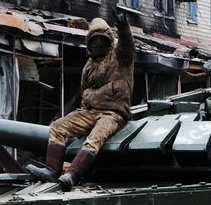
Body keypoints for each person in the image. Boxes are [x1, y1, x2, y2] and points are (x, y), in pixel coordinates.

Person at [26, 10, 133, 190]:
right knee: (57, 127)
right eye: (94, 42)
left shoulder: (120, 56)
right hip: (90, 111)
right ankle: (52, 170)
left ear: (109, 40)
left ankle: (73, 174)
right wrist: (84, 110)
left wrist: (123, 27)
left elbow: (127, 45)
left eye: (101, 41)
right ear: (89, 43)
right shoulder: (89, 66)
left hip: (113, 112)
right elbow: (85, 92)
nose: (98, 45)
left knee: (95, 138)